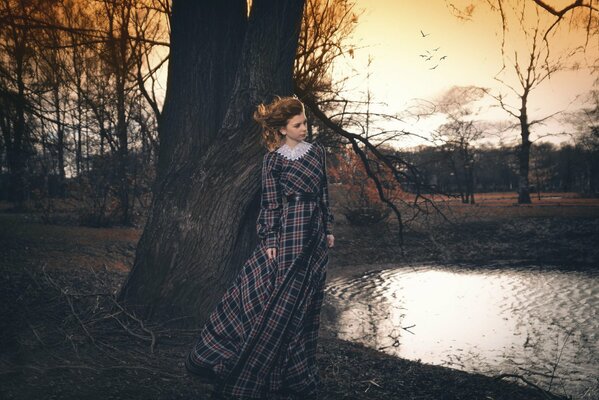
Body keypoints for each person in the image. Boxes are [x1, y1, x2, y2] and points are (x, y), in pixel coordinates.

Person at [185, 96, 335, 400]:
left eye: (306, 122)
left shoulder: (317, 153)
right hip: (288, 233)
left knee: (304, 303)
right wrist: (269, 239)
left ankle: (294, 368)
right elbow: (269, 205)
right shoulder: (272, 161)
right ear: (282, 129)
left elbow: (323, 194)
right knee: (272, 298)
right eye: (298, 124)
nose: (305, 128)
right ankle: (254, 365)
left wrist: (329, 228)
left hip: (315, 232)